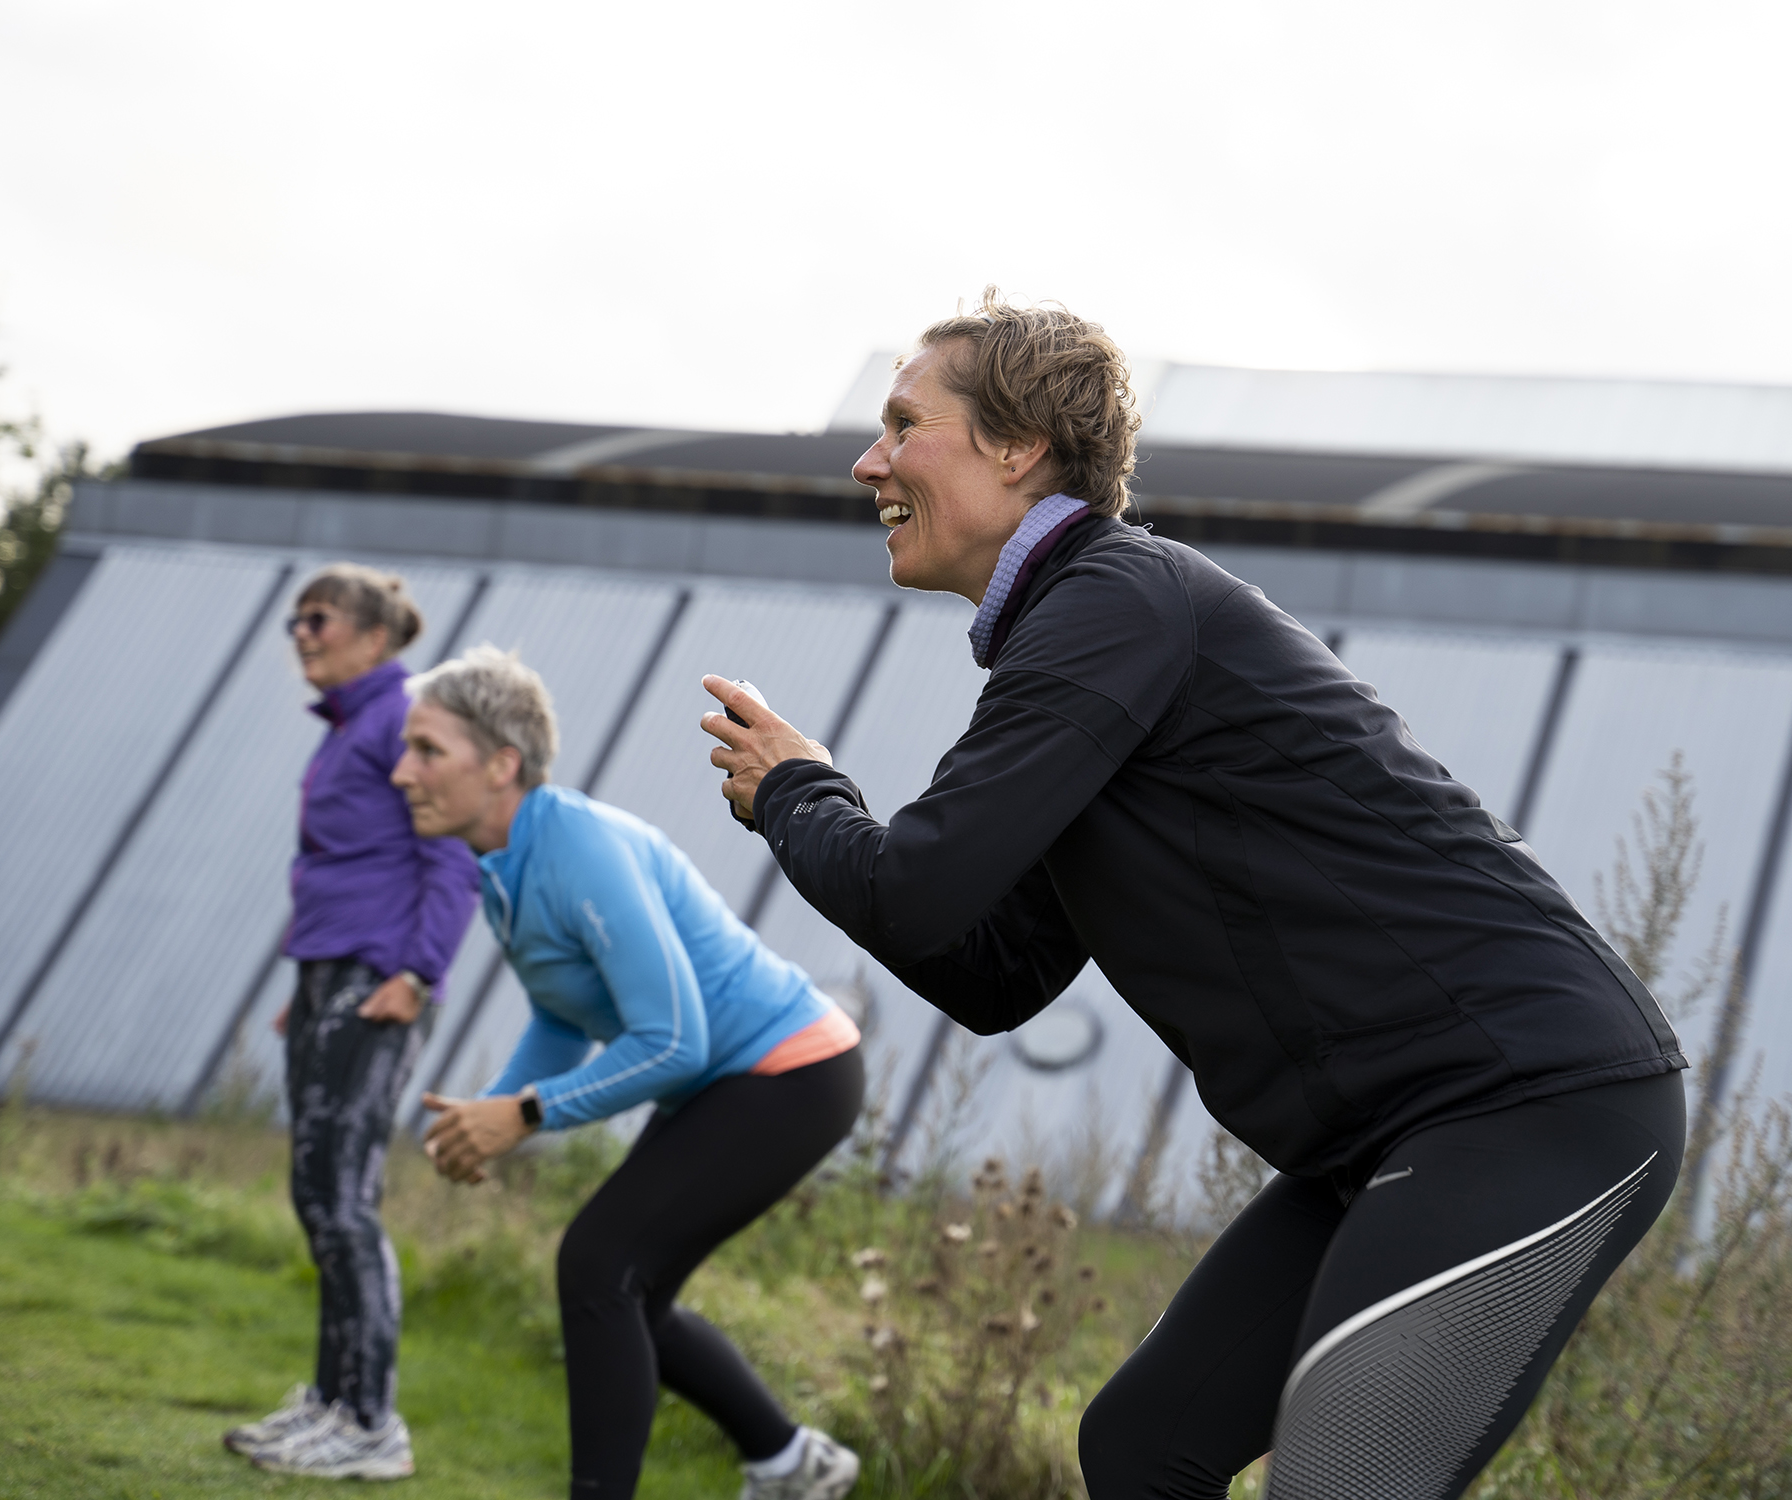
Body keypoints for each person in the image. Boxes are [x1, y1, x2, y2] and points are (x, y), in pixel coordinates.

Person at [701, 291, 1690, 1500]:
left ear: (1017, 448)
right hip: (1390, 1137)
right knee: (1142, 1445)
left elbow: (914, 889)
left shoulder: (1115, 600)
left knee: (1342, 1483)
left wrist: (800, 793)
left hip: (1530, 1108)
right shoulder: (1081, 634)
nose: (870, 462)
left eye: (905, 423)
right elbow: (990, 972)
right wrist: (807, 802)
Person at [398, 645, 866, 1500]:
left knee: (599, 1264)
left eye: (427, 750)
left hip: (793, 1071)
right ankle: (795, 1464)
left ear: (502, 763)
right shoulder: (505, 862)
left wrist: (524, 1114)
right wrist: (495, 1111)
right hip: (729, 1079)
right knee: (627, 1289)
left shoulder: (577, 847)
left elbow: (672, 1039)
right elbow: (562, 1015)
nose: (402, 772)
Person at [222, 563, 480, 1481]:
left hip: (380, 978)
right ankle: (334, 1403)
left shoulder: (405, 716)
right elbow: (341, 864)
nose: (300, 633)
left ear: (374, 636)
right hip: (335, 971)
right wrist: (310, 977)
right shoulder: (348, 729)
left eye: (318, 619)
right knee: (316, 1197)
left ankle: (371, 1422)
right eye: (294, 619)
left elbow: (450, 849)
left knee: (344, 1200)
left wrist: (417, 973)